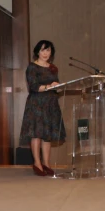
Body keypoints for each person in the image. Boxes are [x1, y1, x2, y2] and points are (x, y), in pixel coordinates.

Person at [19, 40, 65, 176]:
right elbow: (33, 86)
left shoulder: (53, 67)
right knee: (37, 134)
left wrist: (57, 86)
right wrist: (48, 86)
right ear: (37, 52)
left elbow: (54, 86)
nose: (46, 53)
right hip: (37, 103)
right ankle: (37, 163)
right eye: (43, 50)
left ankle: (46, 163)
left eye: (48, 50)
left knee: (47, 135)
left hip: (51, 104)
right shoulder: (32, 67)